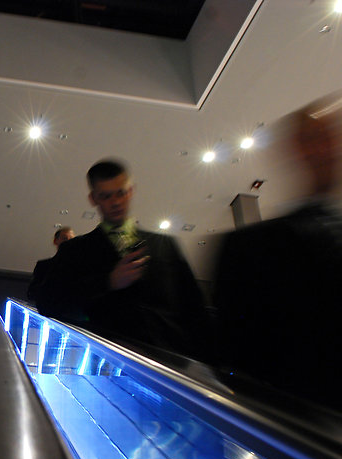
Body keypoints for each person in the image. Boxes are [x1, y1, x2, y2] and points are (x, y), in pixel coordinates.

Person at [214, 91, 342, 410]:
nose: (330, 149)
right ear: (297, 150)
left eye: (333, 137)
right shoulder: (250, 248)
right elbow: (236, 352)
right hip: (304, 417)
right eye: (317, 139)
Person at [35, 159, 208, 357]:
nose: (116, 202)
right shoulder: (75, 250)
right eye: (106, 196)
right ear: (93, 198)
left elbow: (194, 309)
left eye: (121, 193)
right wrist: (108, 281)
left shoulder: (164, 245)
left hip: (173, 359)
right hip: (110, 360)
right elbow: (47, 303)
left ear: (131, 191)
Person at [27, 226, 75, 303]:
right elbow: (31, 293)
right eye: (64, 238)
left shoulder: (79, 266)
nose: (68, 241)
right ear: (55, 241)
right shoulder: (43, 265)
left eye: (71, 239)